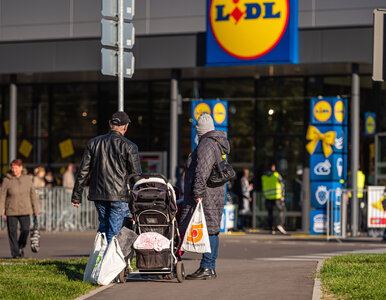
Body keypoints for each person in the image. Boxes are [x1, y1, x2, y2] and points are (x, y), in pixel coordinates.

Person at [71, 111, 142, 243]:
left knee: (104, 228)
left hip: (99, 195)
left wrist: (76, 195)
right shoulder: (130, 146)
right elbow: (136, 176)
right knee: (114, 232)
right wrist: (140, 196)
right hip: (119, 195)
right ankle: (109, 262)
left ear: (110, 124)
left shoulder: (94, 143)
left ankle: (99, 259)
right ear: (125, 127)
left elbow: (83, 171)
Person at [179, 113, 230, 280]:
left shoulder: (206, 143)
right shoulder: (216, 142)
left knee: (207, 229)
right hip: (214, 191)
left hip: (206, 193)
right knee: (212, 229)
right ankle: (209, 266)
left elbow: (202, 170)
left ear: (199, 130)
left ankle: (206, 266)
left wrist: (197, 193)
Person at [0, 159, 39, 258]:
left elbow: (33, 195)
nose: (14, 170)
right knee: (12, 233)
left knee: (25, 229)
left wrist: (36, 210)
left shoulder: (27, 179)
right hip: (11, 210)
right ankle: (15, 253)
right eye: (12, 168)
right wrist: (1, 210)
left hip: (25, 209)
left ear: (21, 168)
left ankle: (21, 246)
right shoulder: (7, 180)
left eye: (16, 168)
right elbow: (2, 196)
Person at [261, 162, 287, 235]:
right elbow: (282, 185)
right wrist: (283, 195)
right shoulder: (276, 175)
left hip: (268, 197)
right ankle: (280, 225)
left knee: (270, 214)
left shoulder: (263, 176)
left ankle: (271, 229)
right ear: (273, 167)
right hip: (277, 197)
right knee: (282, 210)